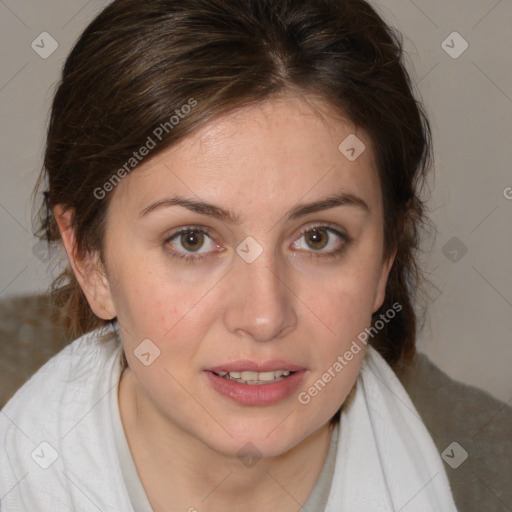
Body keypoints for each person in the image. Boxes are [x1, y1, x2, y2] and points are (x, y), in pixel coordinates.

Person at [0, 0, 459, 510]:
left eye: (317, 238)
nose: (263, 317)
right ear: (89, 259)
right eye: (191, 239)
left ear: (386, 256)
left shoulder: (488, 468)